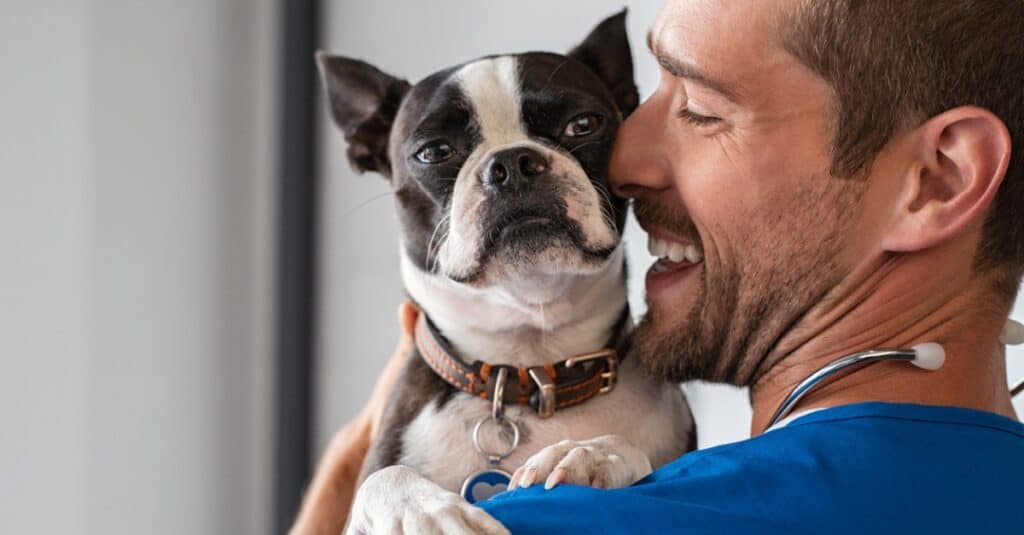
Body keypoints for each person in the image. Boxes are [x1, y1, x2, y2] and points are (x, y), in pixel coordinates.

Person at [292, 0, 1024, 533]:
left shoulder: (556, 520)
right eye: (647, 98)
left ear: (938, 180)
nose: (624, 159)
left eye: (701, 107)